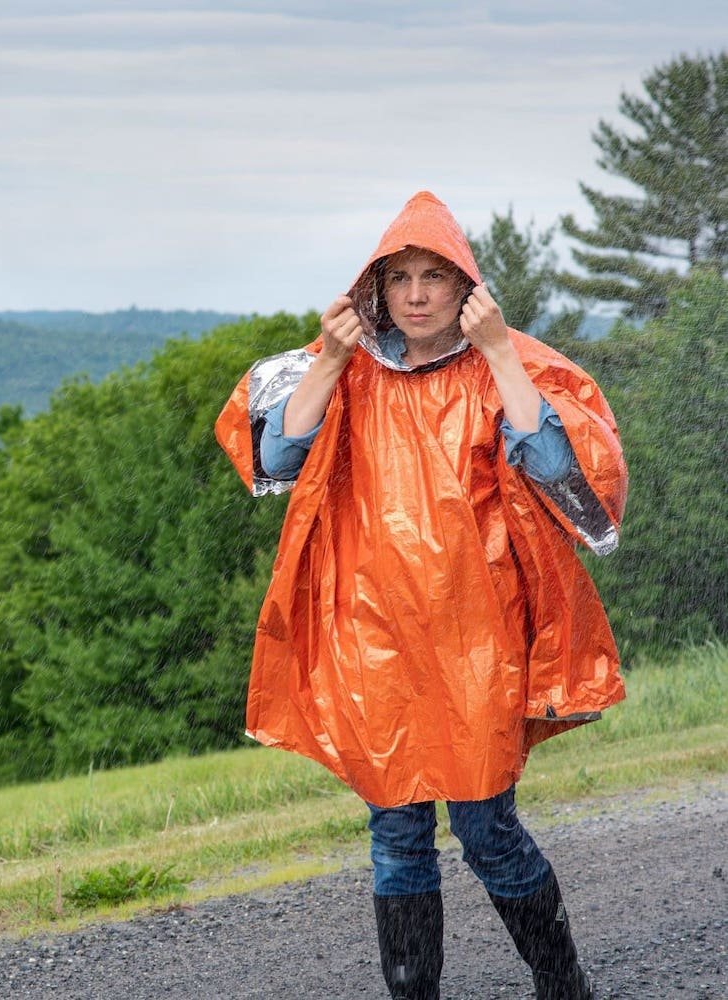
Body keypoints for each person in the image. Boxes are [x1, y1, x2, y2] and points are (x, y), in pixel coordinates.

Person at [215, 191, 627, 999]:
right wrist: (332, 361)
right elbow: (275, 458)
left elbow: (566, 478)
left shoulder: (508, 367)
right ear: (374, 289)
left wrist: (502, 354)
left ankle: (563, 984)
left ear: (465, 287)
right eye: (397, 277)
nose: (414, 295)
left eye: (433, 277)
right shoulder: (346, 371)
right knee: (397, 834)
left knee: (486, 831)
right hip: (373, 639)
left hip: (478, 639)